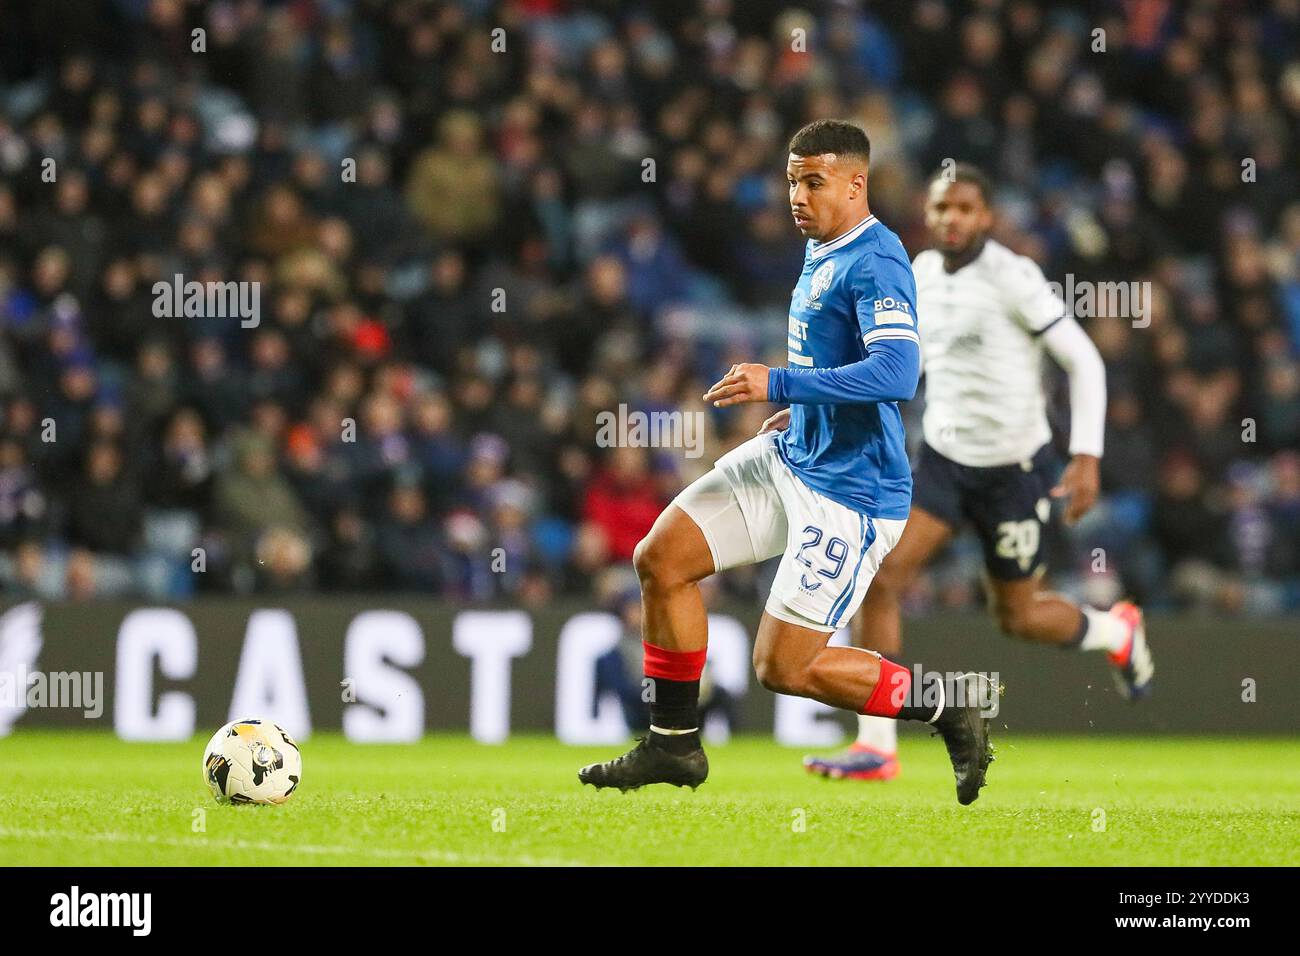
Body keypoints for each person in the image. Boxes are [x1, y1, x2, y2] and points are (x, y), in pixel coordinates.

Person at [578, 121, 994, 805]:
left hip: (850, 493)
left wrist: (781, 384)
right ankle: (673, 745)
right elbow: (836, 357)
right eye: (792, 180)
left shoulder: (877, 258)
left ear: (856, 184)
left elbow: (897, 372)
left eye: (814, 181)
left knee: (783, 667)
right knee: (662, 559)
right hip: (794, 455)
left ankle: (949, 705)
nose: (797, 196)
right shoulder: (820, 244)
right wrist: (804, 409)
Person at [803, 164, 1153, 783]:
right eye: (941, 208)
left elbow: (1085, 361)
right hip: (943, 464)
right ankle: (878, 746)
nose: (951, 219)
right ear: (928, 214)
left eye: (965, 208)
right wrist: (805, 403)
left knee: (1017, 618)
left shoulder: (1014, 278)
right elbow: (877, 362)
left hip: (1016, 470)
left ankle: (1116, 630)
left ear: (987, 216)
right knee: (882, 578)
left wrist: (1087, 456)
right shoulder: (918, 276)